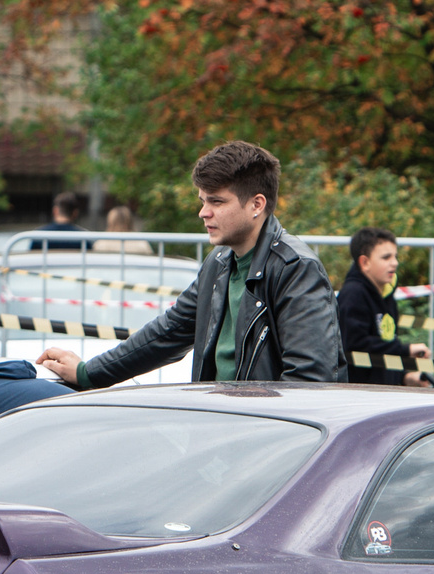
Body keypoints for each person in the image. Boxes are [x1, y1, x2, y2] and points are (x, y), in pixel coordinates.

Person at [38, 140, 341, 388]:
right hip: (222, 430)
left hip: (270, 445)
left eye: (216, 202)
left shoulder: (296, 268)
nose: (203, 213)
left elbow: (310, 383)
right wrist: (87, 372)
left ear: (256, 205)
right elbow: (167, 332)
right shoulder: (219, 262)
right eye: (202, 201)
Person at [338, 227, 434, 387]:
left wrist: (406, 377)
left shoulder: (386, 295)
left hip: (383, 392)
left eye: (395, 256)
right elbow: (356, 346)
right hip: (359, 396)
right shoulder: (353, 295)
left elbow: (386, 347)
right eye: (386, 257)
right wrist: (405, 350)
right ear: (365, 262)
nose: (395, 263)